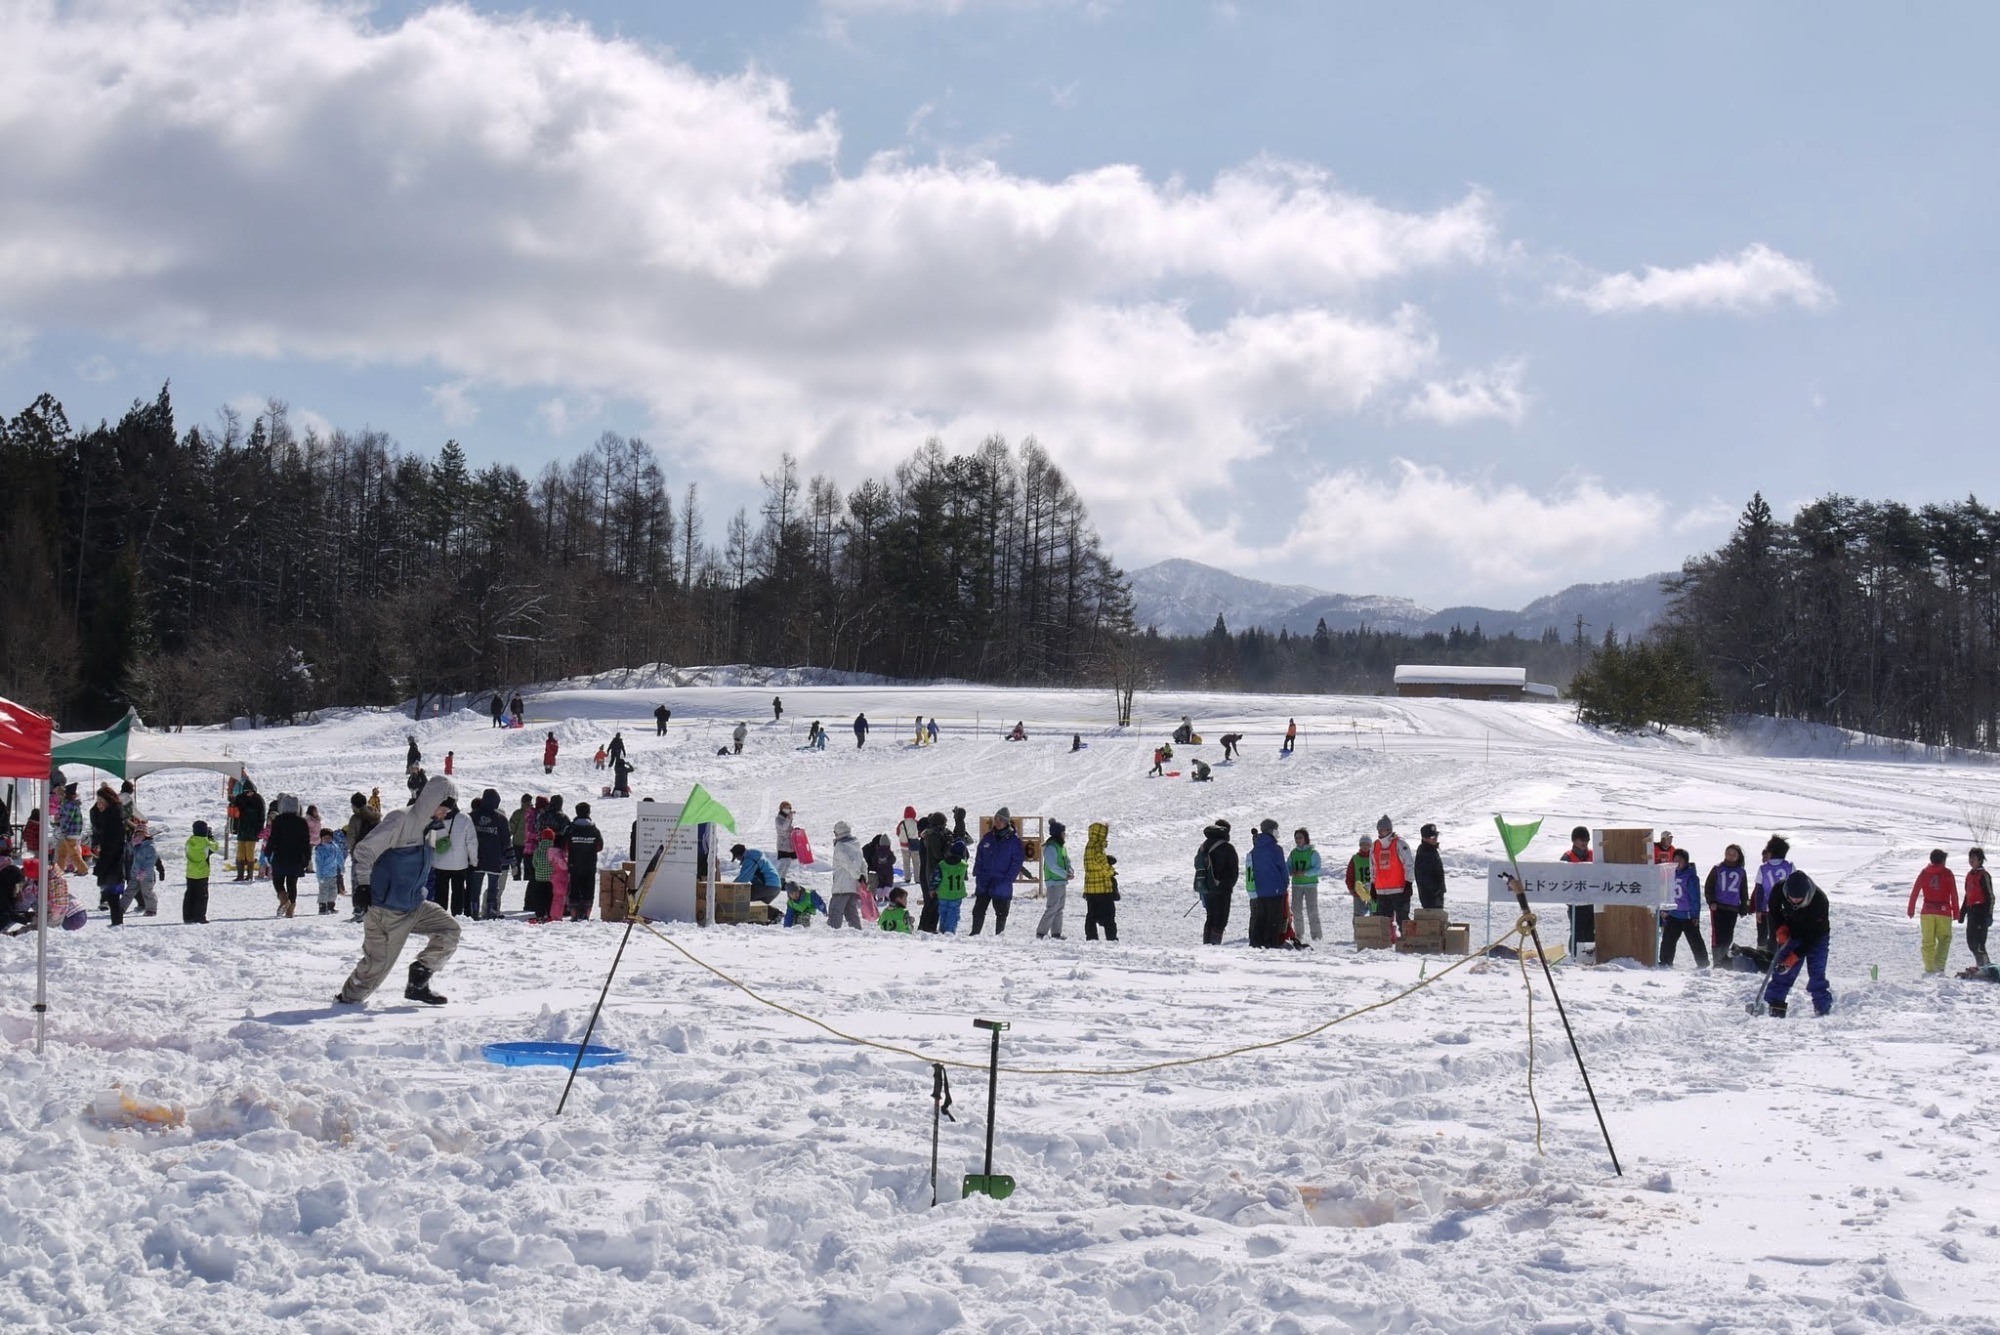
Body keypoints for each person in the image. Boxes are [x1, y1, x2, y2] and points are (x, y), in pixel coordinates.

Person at [336, 775, 462, 1006]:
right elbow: (364, 851)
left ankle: (418, 982)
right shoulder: (400, 820)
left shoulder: (429, 829)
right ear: (432, 800)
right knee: (376, 968)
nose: (444, 814)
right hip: (387, 911)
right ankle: (346, 1002)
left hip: (414, 905)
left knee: (449, 930)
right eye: (443, 808)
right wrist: (363, 885)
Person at [1763, 869, 1833, 1017]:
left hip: (1816, 937)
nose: (1794, 901)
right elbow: (1773, 911)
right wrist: (1780, 928)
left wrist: (1795, 957)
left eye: (1798, 898)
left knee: (1817, 973)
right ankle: (1775, 1005)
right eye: (1791, 897)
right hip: (1792, 933)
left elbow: (1813, 937)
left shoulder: (1819, 900)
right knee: (1783, 971)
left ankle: (1822, 1008)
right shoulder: (1778, 890)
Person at [972, 808, 1026, 935]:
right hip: (984, 880)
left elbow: (1016, 863)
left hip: (1001, 882)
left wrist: (1008, 880)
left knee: (1001, 913)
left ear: (1007, 822)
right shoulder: (988, 837)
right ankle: (974, 934)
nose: (997, 822)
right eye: (996, 819)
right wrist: (977, 872)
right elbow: (979, 855)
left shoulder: (1014, 841)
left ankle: (999, 936)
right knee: (978, 910)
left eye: (1000, 820)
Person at [1909, 848, 1959, 975]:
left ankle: (1929, 968)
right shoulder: (1947, 873)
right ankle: (1939, 966)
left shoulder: (1924, 872)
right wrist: (1956, 912)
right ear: (1943, 861)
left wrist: (1911, 909)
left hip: (1927, 911)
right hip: (1944, 911)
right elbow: (1953, 893)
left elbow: (1915, 892)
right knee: (1944, 939)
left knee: (1928, 941)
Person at [1660, 849, 1710, 968]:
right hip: (1673, 913)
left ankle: (1703, 963)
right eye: (1675, 859)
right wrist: (1665, 909)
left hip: (1688, 916)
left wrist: (1695, 915)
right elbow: (1666, 894)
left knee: (1695, 941)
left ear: (1686, 862)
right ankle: (1665, 962)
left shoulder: (1691, 877)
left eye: (1680, 860)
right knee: (1668, 940)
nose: (1677, 862)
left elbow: (1695, 898)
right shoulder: (1670, 875)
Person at [430, 795, 477, 918]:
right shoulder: (465, 818)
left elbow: (430, 840)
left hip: (439, 863)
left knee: (441, 892)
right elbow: (471, 842)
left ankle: (440, 915)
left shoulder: (436, 818)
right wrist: (473, 860)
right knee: (458, 891)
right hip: (459, 864)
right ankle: (457, 915)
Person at [89, 786, 130, 924]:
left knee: (113, 894)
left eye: (101, 800)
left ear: (108, 800)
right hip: (109, 857)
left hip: (114, 858)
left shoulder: (114, 815)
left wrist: (104, 858)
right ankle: (116, 922)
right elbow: (98, 829)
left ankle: (117, 923)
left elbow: (113, 841)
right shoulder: (106, 814)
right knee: (110, 892)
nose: (98, 804)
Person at [1247, 819, 1290, 948]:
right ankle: (1271, 944)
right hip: (1276, 889)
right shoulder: (1276, 849)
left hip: (1260, 889)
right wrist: (1285, 883)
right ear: (1272, 830)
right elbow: (1282, 868)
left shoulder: (1255, 849)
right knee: (1274, 920)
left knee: (1261, 918)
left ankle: (1257, 943)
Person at [1370, 816, 1415, 937]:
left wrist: (1409, 883)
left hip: (1399, 890)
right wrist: (1373, 885)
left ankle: (1409, 942)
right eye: (1379, 830)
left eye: (1383, 829)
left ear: (1389, 829)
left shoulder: (1399, 844)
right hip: (1381, 891)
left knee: (1403, 919)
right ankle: (1385, 945)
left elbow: (1409, 864)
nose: (1381, 832)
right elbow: (1373, 867)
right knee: (1383, 922)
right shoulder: (1374, 846)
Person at [268, 794, 311, 919]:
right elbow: (306, 841)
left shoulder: (278, 820)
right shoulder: (302, 822)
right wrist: (307, 858)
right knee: (292, 883)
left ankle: (283, 898)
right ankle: (291, 909)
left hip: (280, 855)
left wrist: (268, 851)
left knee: (277, 879)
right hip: (297, 856)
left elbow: (273, 838)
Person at [471, 789, 512, 919]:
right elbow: (506, 841)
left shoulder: (473, 816)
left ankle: (473, 911)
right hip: (494, 860)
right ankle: (491, 912)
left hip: (477, 858)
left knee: (475, 888)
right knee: (493, 888)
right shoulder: (501, 818)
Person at [1704, 844, 1751, 956]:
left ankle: (1725, 958)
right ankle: (1717, 959)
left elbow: (1743, 890)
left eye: (1734, 854)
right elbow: (1709, 886)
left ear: (1738, 856)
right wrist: (1711, 901)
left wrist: (1744, 907)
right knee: (1717, 936)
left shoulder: (1741, 871)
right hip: (1718, 906)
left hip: (1732, 907)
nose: (1731, 856)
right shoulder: (1717, 869)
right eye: (1728, 853)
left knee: (1728, 935)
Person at [1200, 821, 1238, 945]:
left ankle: (1207, 944)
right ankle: (1215, 946)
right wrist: (1227, 885)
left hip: (1206, 888)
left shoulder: (1204, 846)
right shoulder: (1227, 848)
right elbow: (1233, 871)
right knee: (1220, 920)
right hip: (1222, 889)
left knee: (1210, 917)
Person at [1755, 835, 1794, 953]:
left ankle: (1770, 960)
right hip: (1786, 907)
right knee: (1785, 934)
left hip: (1769, 907)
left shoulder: (1763, 868)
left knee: (1772, 935)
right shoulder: (1789, 866)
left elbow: (1759, 891)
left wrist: (1758, 910)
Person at [345, 792, 381, 920]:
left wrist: (352, 850)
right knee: (373, 880)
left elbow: (351, 838)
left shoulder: (355, 818)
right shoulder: (376, 816)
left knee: (358, 881)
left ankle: (359, 908)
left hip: (359, 854)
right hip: (375, 854)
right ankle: (373, 908)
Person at [1082, 822, 1118, 941]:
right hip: (1101, 887)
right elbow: (1102, 864)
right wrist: (1111, 871)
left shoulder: (1089, 846)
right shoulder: (1097, 847)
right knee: (1109, 914)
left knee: (1091, 914)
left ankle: (1091, 937)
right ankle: (1111, 938)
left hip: (1090, 887)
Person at [1562, 825, 1595, 952]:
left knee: (1590, 932)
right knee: (1577, 931)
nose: (1584, 842)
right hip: (1575, 903)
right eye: (1581, 839)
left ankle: (1588, 958)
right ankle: (1575, 958)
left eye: (1586, 839)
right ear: (1574, 841)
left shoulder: (1594, 855)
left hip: (1592, 901)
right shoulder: (1567, 857)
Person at [827, 821, 866, 929]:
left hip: (841, 887)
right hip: (853, 887)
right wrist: (862, 877)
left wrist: (857, 876)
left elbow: (848, 864)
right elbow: (863, 863)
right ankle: (858, 934)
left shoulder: (840, 846)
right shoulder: (856, 845)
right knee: (851, 913)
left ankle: (831, 935)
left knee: (835, 913)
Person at [1036, 820, 1071, 940]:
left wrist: (1069, 871)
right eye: (1062, 832)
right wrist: (1065, 874)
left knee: (1059, 909)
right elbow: (1052, 865)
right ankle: (1041, 933)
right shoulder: (1051, 847)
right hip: (1053, 882)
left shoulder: (1061, 847)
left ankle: (1056, 933)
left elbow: (1066, 860)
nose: (1064, 835)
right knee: (1052, 908)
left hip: (1061, 881)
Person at [1289, 828, 1323, 942]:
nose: (1298, 840)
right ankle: (1299, 934)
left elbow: (1317, 869)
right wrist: (1291, 871)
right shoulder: (1293, 853)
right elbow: (1287, 867)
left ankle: (1316, 936)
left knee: (1312, 910)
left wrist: (1305, 873)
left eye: (1300, 837)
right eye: (1296, 838)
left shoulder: (1313, 853)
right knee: (1296, 909)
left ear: (1306, 839)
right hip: (1296, 885)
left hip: (1311, 885)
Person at [919, 811, 950, 934]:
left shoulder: (927, 836)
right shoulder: (930, 837)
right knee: (932, 902)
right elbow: (938, 854)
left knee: (931, 903)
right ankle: (927, 928)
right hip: (931, 873)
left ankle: (926, 928)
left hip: (927, 873)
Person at [1963, 847, 1993, 970]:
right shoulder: (1969, 875)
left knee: (1980, 944)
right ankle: (1980, 964)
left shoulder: (1984, 875)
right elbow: (1967, 895)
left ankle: (1986, 966)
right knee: (1971, 942)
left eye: (1974, 858)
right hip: (1972, 912)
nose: (1971, 860)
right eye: (1970, 858)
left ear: (1980, 860)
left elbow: (1990, 896)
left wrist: (1989, 915)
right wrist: (1962, 912)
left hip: (1982, 912)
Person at [183, 820, 218, 924]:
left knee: (190, 894)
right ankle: (199, 916)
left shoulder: (190, 841)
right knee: (201, 896)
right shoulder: (206, 842)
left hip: (190, 871)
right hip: (202, 872)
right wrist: (210, 837)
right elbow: (215, 847)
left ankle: (188, 916)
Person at [231, 780, 265, 882]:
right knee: (240, 852)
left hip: (253, 830)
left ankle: (249, 875)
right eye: (246, 791)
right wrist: (235, 827)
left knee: (250, 852)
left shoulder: (258, 799)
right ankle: (240, 874)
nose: (249, 793)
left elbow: (262, 816)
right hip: (242, 829)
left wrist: (259, 830)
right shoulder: (239, 799)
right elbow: (235, 815)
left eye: (250, 791)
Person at [127, 821, 163, 918]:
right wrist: (133, 844)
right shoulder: (136, 846)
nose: (139, 836)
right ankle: (120, 908)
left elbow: (151, 861)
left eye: (141, 834)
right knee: (129, 891)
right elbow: (130, 854)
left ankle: (151, 909)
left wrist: (144, 871)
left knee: (147, 892)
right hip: (135, 873)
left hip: (146, 875)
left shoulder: (150, 846)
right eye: (137, 834)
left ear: (146, 835)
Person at [935, 839, 969, 934]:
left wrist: (932, 888)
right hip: (956, 894)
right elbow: (965, 877)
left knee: (943, 913)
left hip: (943, 893)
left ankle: (942, 930)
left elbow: (936, 878)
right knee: (953, 913)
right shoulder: (963, 865)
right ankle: (949, 931)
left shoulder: (942, 864)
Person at [1414, 823, 1447, 911]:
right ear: (1425, 838)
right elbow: (1424, 876)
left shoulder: (1431, 850)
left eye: (1436, 836)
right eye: (1432, 837)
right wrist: (1436, 891)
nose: (1435, 839)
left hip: (1436, 895)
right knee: (1433, 921)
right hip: (1430, 897)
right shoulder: (1424, 852)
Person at [314, 828, 346, 915]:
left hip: (333, 873)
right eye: (325, 838)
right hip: (324, 874)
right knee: (323, 891)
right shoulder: (320, 849)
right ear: (321, 838)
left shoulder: (335, 847)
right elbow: (319, 863)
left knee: (333, 891)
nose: (327, 840)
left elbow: (339, 857)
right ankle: (322, 907)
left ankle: (331, 906)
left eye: (329, 838)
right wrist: (319, 876)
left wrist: (342, 866)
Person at [1346, 836, 1374, 926]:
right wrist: (1351, 888)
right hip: (1359, 890)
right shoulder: (1355, 858)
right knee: (1358, 914)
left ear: (1370, 846)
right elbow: (1350, 875)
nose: (1365, 846)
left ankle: (1373, 932)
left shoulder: (1374, 857)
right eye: (1363, 844)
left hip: (1373, 891)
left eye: (1367, 844)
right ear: (1360, 845)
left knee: (1374, 912)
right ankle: (1358, 934)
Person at [896, 806, 922, 883]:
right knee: (916, 863)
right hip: (914, 845)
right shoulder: (916, 823)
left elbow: (898, 833)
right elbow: (919, 833)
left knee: (906, 862)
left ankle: (907, 878)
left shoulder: (902, 823)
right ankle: (917, 879)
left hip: (904, 846)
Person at [775, 801, 799, 884]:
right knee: (783, 863)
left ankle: (782, 880)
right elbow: (784, 828)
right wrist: (789, 818)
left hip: (789, 845)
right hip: (783, 845)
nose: (788, 809)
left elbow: (788, 829)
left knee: (787, 863)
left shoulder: (787, 818)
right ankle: (776, 881)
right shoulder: (779, 818)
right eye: (786, 808)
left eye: (789, 808)